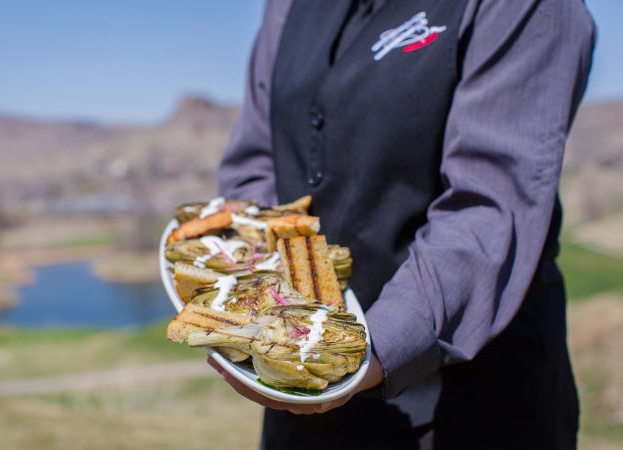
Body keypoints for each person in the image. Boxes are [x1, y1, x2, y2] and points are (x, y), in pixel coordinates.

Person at [210, 0, 596, 448]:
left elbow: (489, 207)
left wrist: (361, 353)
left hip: (471, 407)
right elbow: (256, 162)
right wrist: (240, 290)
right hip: (302, 397)